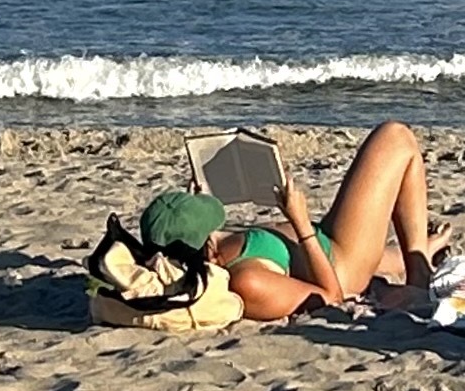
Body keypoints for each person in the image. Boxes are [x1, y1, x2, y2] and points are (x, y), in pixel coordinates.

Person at [140, 119, 444, 323]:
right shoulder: (247, 282)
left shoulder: (211, 250)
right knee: (395, 137)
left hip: (325, 240)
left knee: (391, 254)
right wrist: (300, 223)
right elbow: (330, 297)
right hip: (341, 264)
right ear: (203, 246)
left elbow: (199, 241)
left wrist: (196, 202)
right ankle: (418, 272)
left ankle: (422, 249)